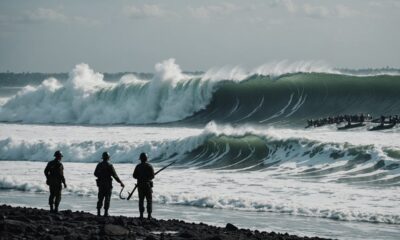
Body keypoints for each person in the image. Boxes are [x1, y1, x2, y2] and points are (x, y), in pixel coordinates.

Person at [94, 152, 124, 217]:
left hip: (101, 183)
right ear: (108, 158)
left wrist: (101, 176)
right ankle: (105, 213)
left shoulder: (99, 165)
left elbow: (95, 174)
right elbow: (115, 175)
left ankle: (98, 212)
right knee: (107, 198)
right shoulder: (110, 165)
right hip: (108, 184)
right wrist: (120, 182)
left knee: (100, 198)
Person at [133, 153, 155, 220]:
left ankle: (141, 215)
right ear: (146, 158)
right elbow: (152, 176)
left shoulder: (138, 166)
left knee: (141, 200)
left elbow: (134, 176)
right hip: (147, 185)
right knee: (149, 200)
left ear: (140, 159)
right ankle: (149, 215)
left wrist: (140, 177)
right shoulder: (149, 166)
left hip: (140, 185)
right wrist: (147, 177)